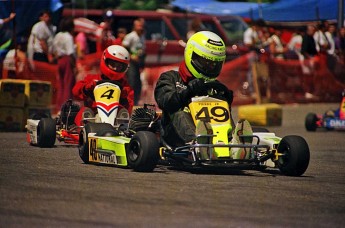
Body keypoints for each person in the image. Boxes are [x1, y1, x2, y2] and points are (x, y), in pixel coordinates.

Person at [154, 31, 234, 147]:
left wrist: (226, 98)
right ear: (190, 55)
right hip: (174, 137)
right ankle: (197, 143)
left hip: (214, 135)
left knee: (222, 109)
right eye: (205, 62)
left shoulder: (215, 85)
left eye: (214, 64)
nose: (209, 67)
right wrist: (187, 92)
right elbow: (165, 101)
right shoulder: (170, 78)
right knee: (180, 111)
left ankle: (234, 143)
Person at [72, 45, 134, 116]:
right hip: (92, 116)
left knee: (124, 115)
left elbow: (129, 108)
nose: (115, 68)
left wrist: (123, 97)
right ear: (105, 61)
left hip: (115, 120)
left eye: (119, 66)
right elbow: (75, 92)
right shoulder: (92, 79)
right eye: (113, 64)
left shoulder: (125, 86)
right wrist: (86, 88)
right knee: (82, 113)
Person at [53, 16, 77, 112]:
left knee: (61, 83)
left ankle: (59, 106)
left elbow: (53, 49)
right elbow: (70, 52)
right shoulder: (68, 37)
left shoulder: (58, 35)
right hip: (67, 60)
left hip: (59, 60)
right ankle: (66, 106)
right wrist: (74, 66)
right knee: (68, 83)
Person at [122, 18, 146, 105]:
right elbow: (124, 47)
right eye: (138, 26)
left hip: (138, 62)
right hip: (131, 62)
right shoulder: (131, 36)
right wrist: (131, 56)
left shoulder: (142, 36)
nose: (140, 27)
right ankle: (129, 101)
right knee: (131, 81)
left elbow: (142, 49)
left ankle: (136, 101)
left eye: (141, 26)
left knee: (138, 83)